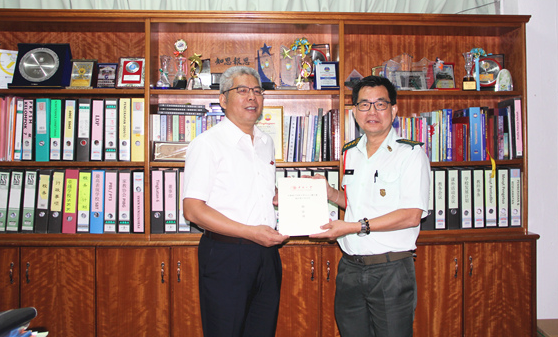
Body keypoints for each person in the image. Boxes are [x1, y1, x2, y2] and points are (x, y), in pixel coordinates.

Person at [310, 75, 430, 337]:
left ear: (394, 110)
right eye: (364, 105)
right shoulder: (350, 152)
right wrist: (330, 193)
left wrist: (354, 227)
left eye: (380, 104)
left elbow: (411, 215)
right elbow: (355, 202)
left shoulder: (411, 154)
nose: (372, 112)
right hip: (350, 268)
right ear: (354, 112)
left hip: (390, 269)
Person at [182, 66, 289, 337]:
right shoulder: (207, 144)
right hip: (226, 255)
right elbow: (192, 210)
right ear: (223, 99)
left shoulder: (266, 142)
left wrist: (284, 195)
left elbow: (257, 189)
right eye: (242, 90)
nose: (252, 97)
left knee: (262, 330)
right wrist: (250, 232)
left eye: (257, 91)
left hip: (267, 254)